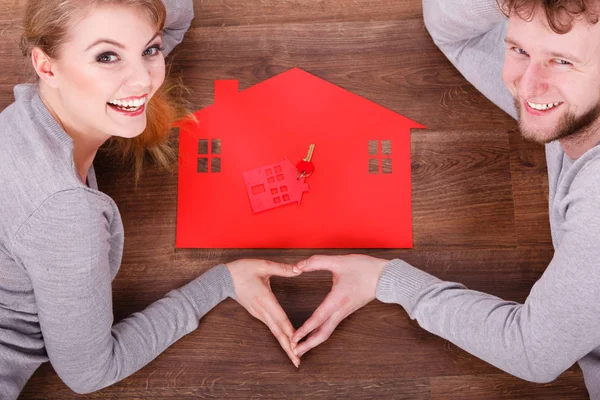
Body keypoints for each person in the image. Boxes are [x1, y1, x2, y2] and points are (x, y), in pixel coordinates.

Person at [290, 0, 600, 398]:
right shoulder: (571, 105)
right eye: (519, 49)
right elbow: (451, 29)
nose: (527, 86)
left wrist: (388, 280)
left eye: (562, 61)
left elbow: (532, 352)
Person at [0, 0, 300, 398]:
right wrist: (223, 281)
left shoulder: (27, 114)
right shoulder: (65, 212)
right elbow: (89, 373)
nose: (142, 80)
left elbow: (176, 16)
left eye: (150, 50)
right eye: (107, 56)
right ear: (46, 66)